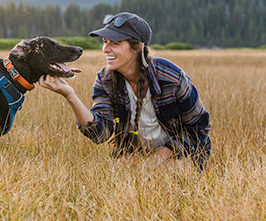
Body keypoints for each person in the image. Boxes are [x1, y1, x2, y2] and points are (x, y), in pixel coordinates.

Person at [38, 12, 211, 170]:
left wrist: (159, 158)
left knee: (164, 173)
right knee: (117, 172)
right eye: (105, 42)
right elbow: (99, 134)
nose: (105, 49)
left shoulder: (170, 76)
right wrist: (70, 96)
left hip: (182, 154)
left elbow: (199, 129)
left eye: (115, 43)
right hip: (136, 155)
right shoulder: (105, 80)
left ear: (137, 48)